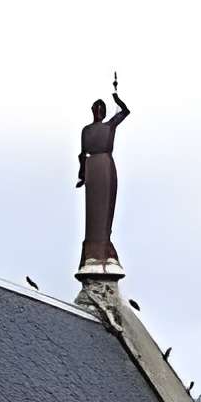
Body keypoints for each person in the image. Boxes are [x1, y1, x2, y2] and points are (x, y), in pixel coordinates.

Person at [76, 88, 131, 268]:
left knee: (105, 210)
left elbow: (125, 112)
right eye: (96, 108)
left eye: (101, 108)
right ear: (93, 111)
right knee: (93, 213)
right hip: (94, 168)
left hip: (104, 166)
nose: (98, 111)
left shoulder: (109, 126)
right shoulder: (87, 130)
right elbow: (82, 155)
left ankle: (104, 247)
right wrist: (82, 176)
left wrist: (117, 98)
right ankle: (92, 252)